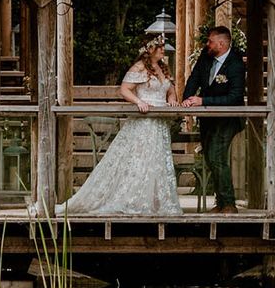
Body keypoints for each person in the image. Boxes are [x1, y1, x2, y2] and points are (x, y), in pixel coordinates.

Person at [55, 34, 181, 216]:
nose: (163, 49)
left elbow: (170, 90)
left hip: (160, 122)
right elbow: (124, 89)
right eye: (160, 46)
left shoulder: (163, 68)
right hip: (144, 121)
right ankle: (134, 199)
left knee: (157, 161)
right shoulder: (139, 67)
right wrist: (139, 102)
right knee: (140, 160)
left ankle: (155, 202)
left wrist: (172, 100)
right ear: (150, 49)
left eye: (163, 46)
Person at [181, 25, 246, 214]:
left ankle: (229, 204)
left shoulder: (235, 64)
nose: (207, 44)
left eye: (210, 41)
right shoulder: (205, 56)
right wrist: (187, 99)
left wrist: (203, 100)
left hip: (228, 118)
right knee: (210, 158)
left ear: (222, 43)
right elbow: (194, 79)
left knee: (217, 156)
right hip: (208, 118)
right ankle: (221, 201)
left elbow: (235, 97)